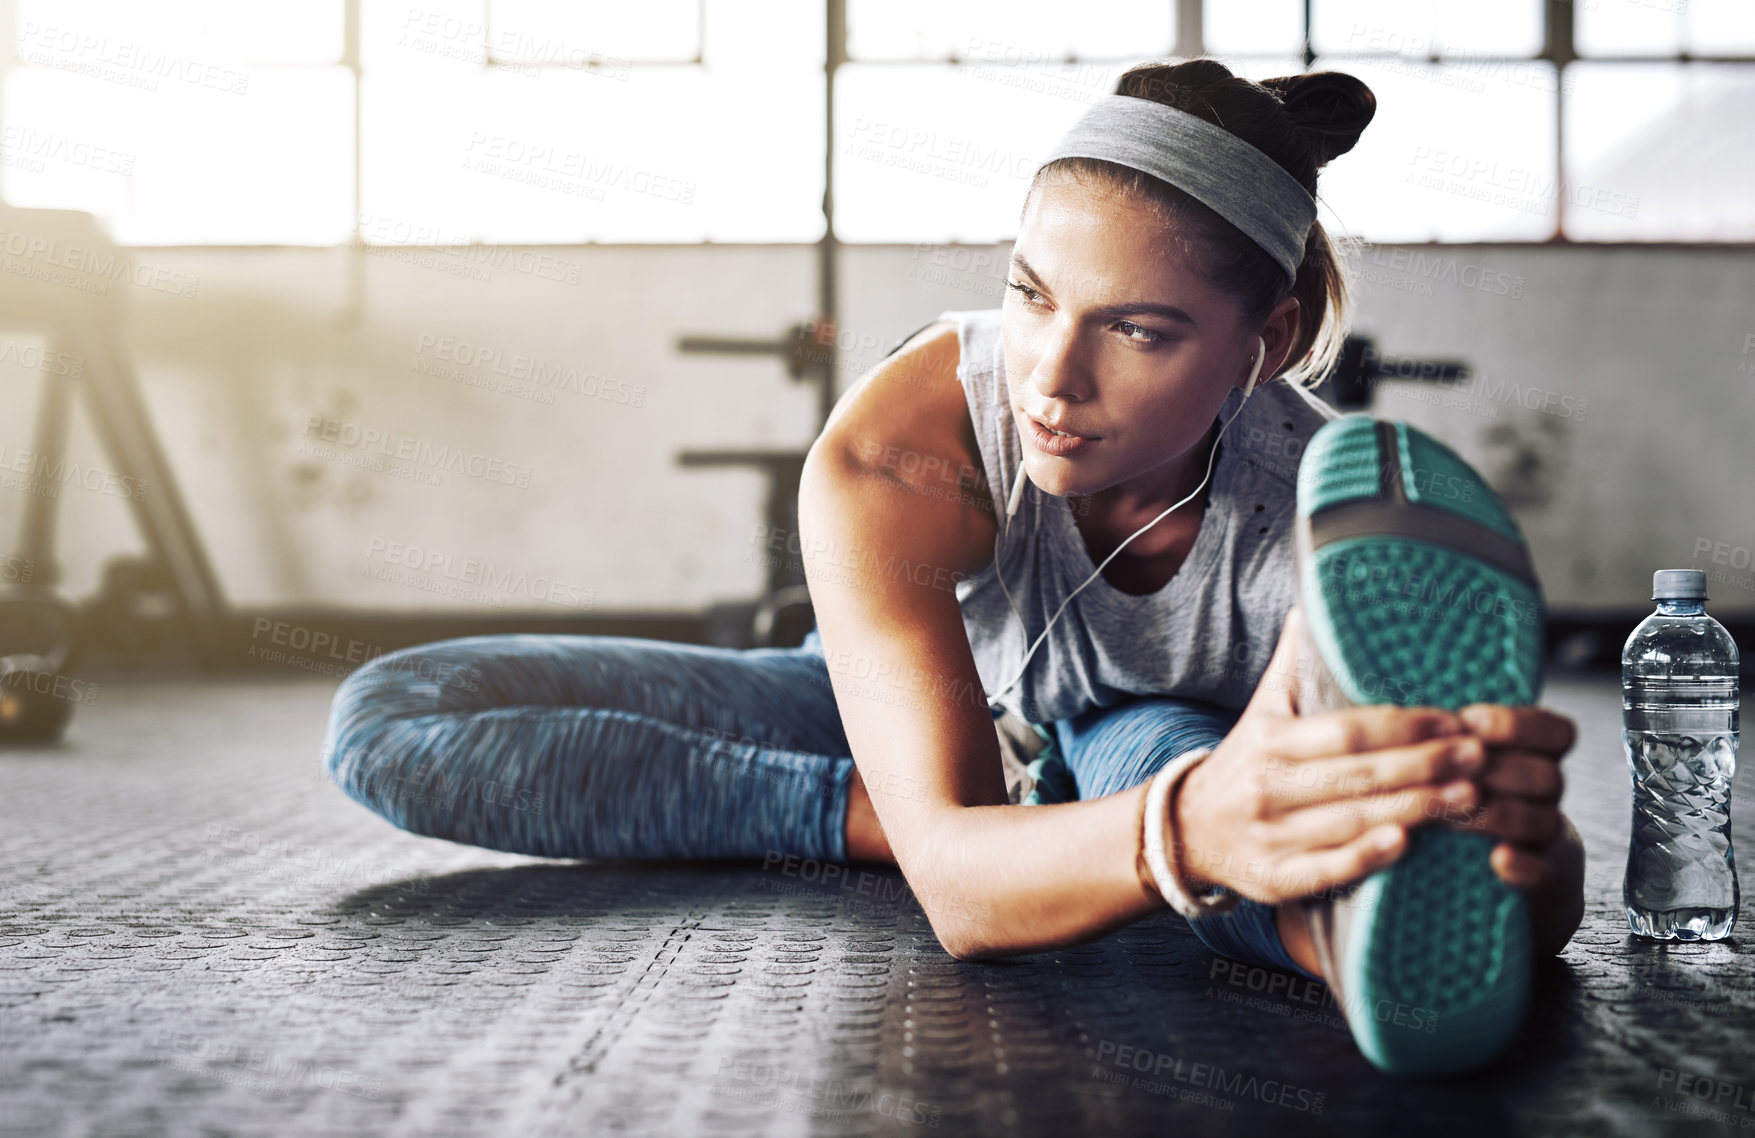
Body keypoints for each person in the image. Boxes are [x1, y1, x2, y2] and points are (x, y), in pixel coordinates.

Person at [323, 58, 1584, 1074]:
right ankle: (913, 825)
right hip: (900, 715)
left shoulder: (1322, 525)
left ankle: (1316, 922)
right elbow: (966, 906)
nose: (1052, 379)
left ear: (1270, 341)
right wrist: (967, 837)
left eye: (1136, 329)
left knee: (1163, 753)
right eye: (1032, 296)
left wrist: (1522, 861)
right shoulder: (902, 440)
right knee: (389, 720)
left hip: (1159, 742)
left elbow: (1509, 873)